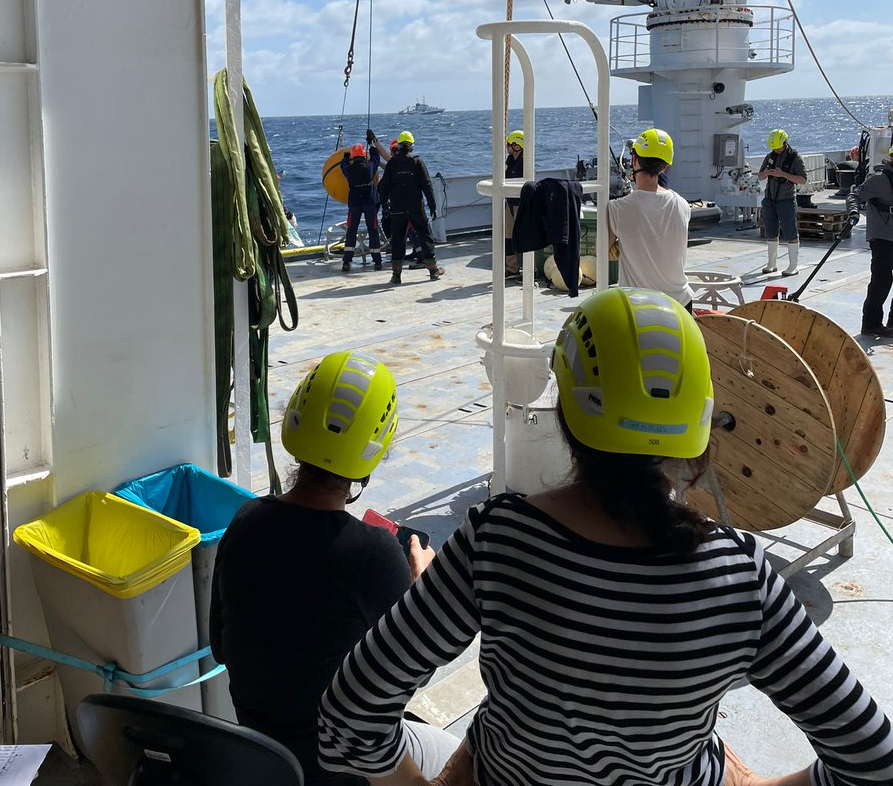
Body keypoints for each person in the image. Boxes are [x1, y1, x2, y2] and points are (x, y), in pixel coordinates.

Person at [317, 289, 893, 786]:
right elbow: (873, 759)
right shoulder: (742, 578)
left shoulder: (496, 540)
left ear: (566, 410)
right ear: (700, 423)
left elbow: (351, 712)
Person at [209, 350, 455, 786]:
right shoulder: (375, 554)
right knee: (459, 755)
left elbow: (220, 647)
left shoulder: (246, 521)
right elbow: (413, 676)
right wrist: (422, 589)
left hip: (262, 754)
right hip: (345, 768)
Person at [607, 128, 694, 310]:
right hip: (681, 304)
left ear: (634, 160)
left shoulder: (617, 209)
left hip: (641, 308)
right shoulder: (682, 204)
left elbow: (604, 253)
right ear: (665, 166)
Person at [378, 131, 443, 285]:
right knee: (425, 236)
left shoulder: (392, 164)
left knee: (398, 239)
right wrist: (432, 205)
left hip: (397, 208)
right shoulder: (417, 162)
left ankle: (396, 275)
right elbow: (427, 185)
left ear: (399, 145)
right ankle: (433, 270)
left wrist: (384, 206)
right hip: (415, 207)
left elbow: (383, 187)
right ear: (412, 145)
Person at [847, 143, 893, 336]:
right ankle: (871, 324)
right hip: (882, 236)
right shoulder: (879, 179)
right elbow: (854, 195)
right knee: (882, 280)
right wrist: (853, 212)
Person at [758, 129, 807, 276]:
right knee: (770, 231)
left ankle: (793, 266)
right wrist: (765, 173)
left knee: (790, 231)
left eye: (778, 148)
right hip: (769, 199)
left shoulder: (795, 158)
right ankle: (772, 263)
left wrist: (783, 174)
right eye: (774, 148)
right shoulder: (770, 157)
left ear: (785, 143)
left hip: (786, 200)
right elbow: (760, 176)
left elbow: (803, 180)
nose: (776, 150)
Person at [341, 143, 383, 272]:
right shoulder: (370, 167)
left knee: (351, 230)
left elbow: (342, 164)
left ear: (353, 156)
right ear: (364, 155)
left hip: (354, 203)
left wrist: (346, 156)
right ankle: (377, 261)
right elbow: (376, 158)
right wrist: (371, 145)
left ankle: (347, 261)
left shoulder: (348, 169)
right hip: (369, 202)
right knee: (373, 229)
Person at [504, 130, 524, 279]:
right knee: (508, 236)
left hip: (521, 204)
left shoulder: (525, 163)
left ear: (517, 146)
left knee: (523, 236)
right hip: (510, 203)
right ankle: (512, 268)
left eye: (509, 144)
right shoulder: (510, 161)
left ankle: (527, 268)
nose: (507, 147)